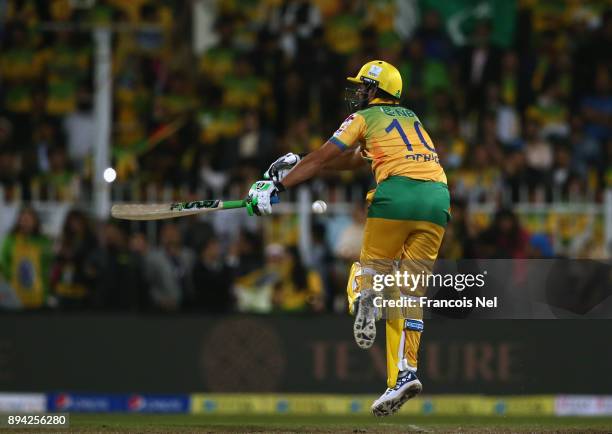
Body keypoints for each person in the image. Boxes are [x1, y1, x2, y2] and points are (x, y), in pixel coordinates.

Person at [246, 60, 450, 416]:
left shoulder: (364, 118)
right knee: (409, 293)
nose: (359, 92)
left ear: (376, 91)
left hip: (397, 195)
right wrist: (302, 160)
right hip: (438, 199)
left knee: (368, 271)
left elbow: (327, 156)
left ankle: (365, 294)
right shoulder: (411, 118)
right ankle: (404, 374)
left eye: (363, 87)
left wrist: (276, 183)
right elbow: (354, 160)